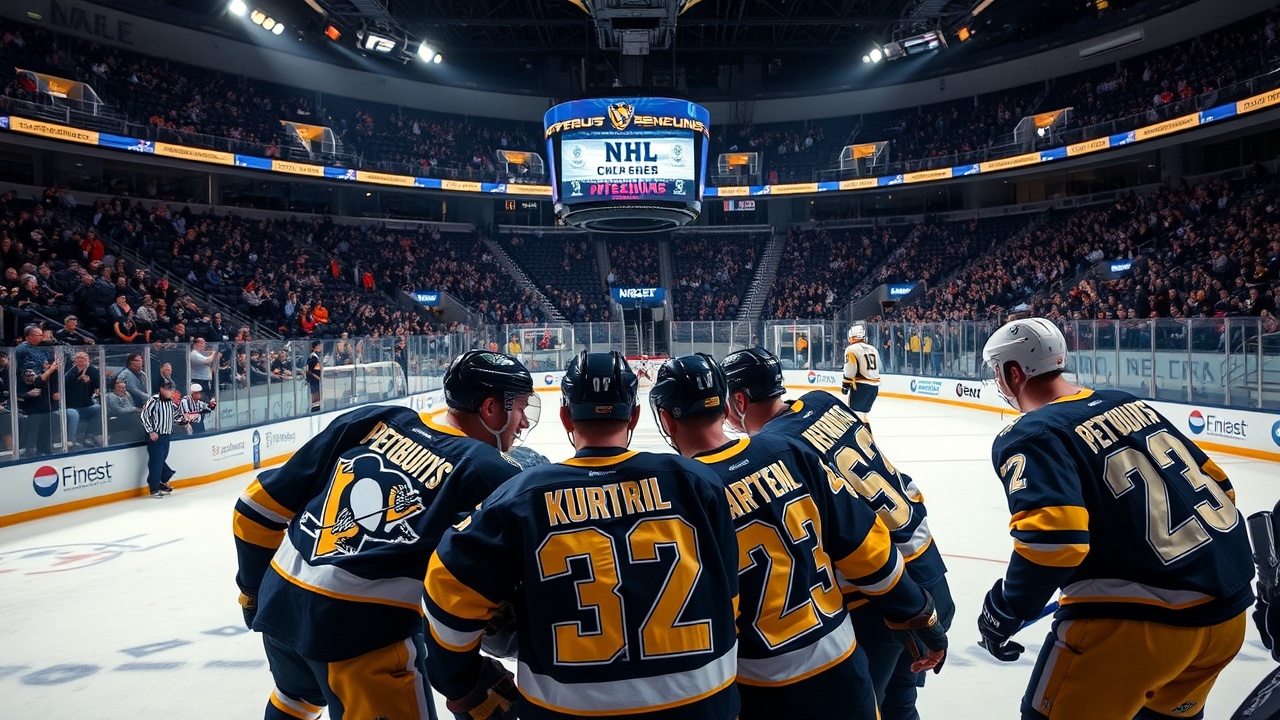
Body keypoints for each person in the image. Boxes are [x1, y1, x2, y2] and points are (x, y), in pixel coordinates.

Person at [422, 351, 742, 719]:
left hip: (569, 710)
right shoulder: (697, 482)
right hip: (702, 704)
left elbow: (445, 592)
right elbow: (728, 597)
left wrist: (462, 680)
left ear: (564, 416)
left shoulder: (520, 497)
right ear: (635, 415)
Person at [232, 350, 539, 720]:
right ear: (491, 408)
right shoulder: (489, 470)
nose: (523, 422)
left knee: (293, 700)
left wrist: (252, 592)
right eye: (520, 409)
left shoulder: (375, 418)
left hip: (280, 602)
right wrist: (463, 676)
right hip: (361, 633)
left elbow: (254, 508)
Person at [976, 318, 1253, 719]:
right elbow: (1221, 486)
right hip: (1228, 615)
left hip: (1140, 622)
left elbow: (1055, 542)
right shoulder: (1126, 402)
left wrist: (1008, 606)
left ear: (1014, 372)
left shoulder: (1030, 433)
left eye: (998, 371)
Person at [657, 353, 948, 720]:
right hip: (914, 575)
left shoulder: (697, 485)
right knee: (899, 704)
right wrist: (916, 607)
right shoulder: (820, 406)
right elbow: (859, 532)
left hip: (862, 611)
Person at [141, 380, 183, 497]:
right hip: (156, 435)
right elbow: (144, 416)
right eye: (168, 390)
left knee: (160, 460)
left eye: (171, 390)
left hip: (166, 435)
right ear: (162, 389)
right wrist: (151, 431)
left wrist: (183, 421)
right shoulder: (154, 400)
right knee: (157, 461)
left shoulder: (170, 402)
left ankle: (161, 480)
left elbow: (174, 415)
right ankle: (154, 487)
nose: (170, 392)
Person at [842, 324, 881, 421]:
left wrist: (845, 385)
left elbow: (850, 368)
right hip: (874, 388)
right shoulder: (873, 349)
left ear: (851, 337)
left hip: (861, 387)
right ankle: (866, 430)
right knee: (863, 416)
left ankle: (862, 431)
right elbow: (878, 366)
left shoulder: (851, 349)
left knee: (855, 416)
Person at [65, 351, 102, 447]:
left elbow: (98, 385)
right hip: (70, 406)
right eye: (78, 358)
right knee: (74, 414)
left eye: (83, 359)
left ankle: (89, 437)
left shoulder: (93, 371)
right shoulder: (70, 371)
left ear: (88, 360)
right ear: (75, 360)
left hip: (86, 405)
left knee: (98, 408)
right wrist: (78, 376)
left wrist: (89, 381)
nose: (80, 361)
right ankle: (71, 442)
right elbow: (65, 382)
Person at [306, 341, 322, 412]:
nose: (320, 348)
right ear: (314, 348)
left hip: (316, 379)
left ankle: (317, 408)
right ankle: (314, 409)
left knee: (318, 393)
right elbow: (309, 370)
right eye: (318, 346)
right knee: (315, 394)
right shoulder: (313, 357)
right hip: (314, 379)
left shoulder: (315, 356)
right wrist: (317, 377)